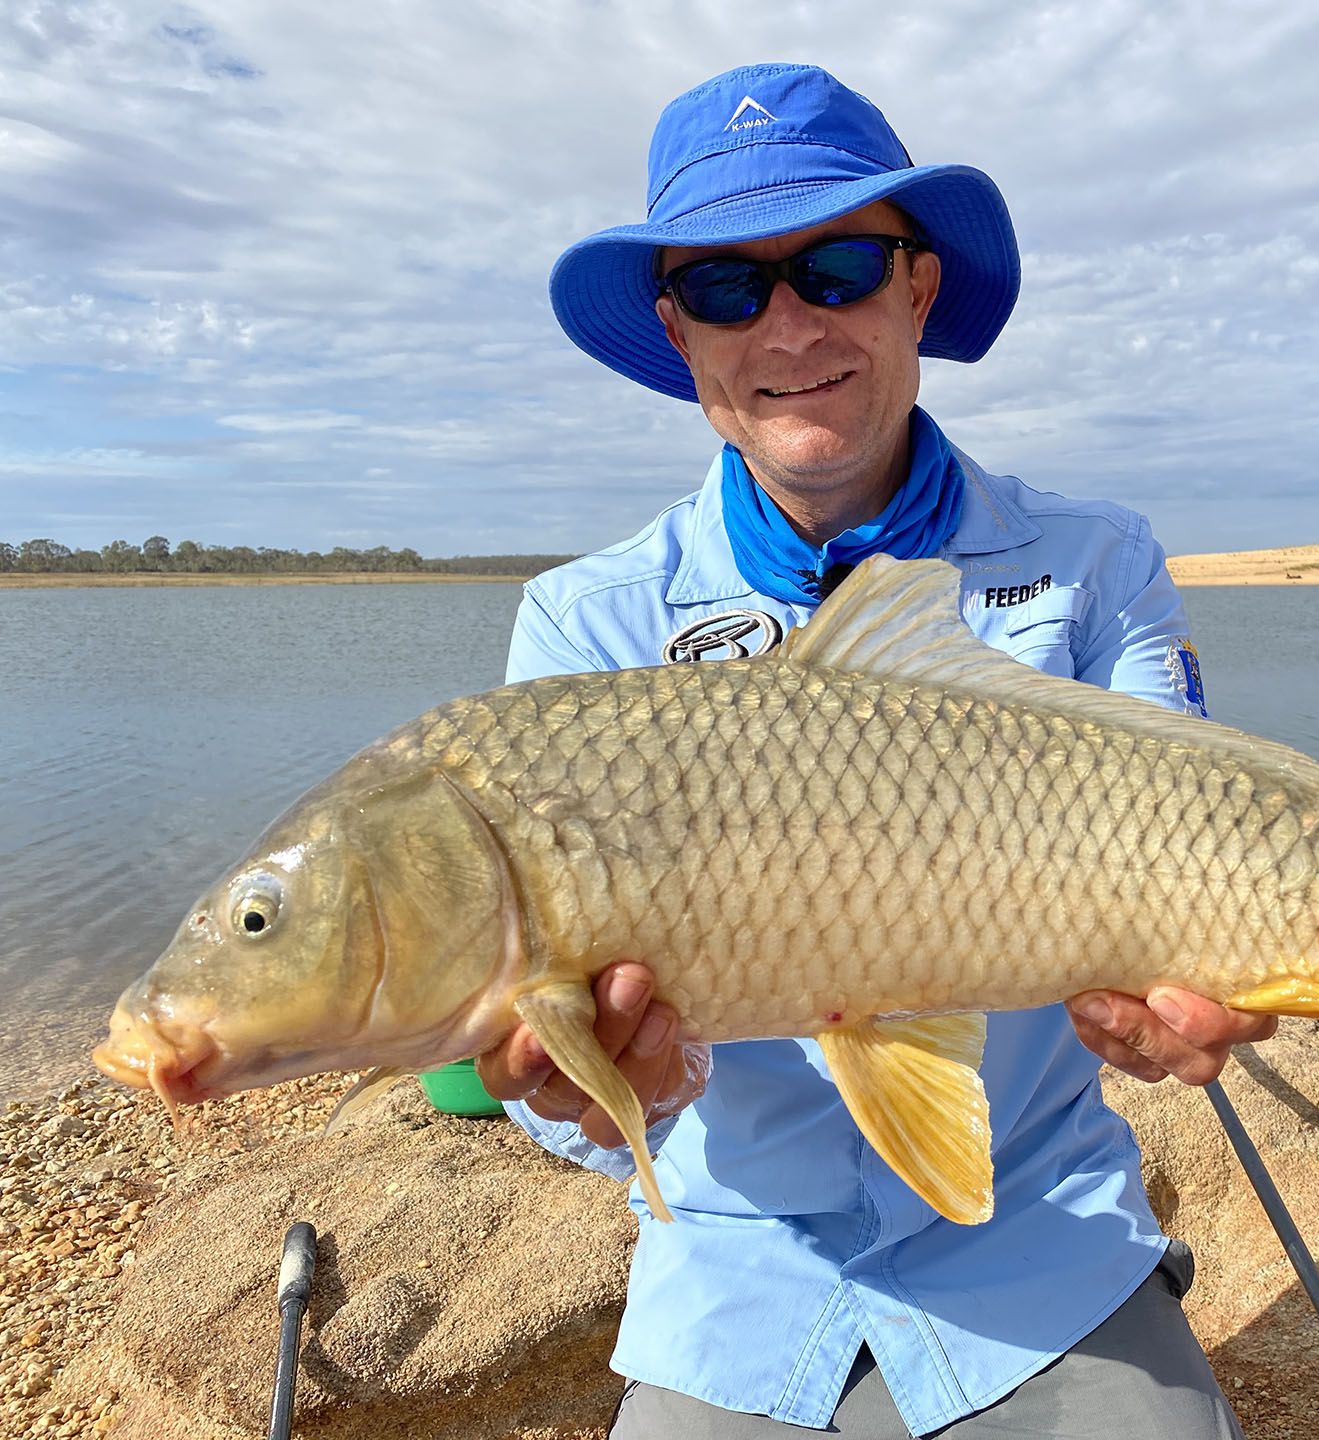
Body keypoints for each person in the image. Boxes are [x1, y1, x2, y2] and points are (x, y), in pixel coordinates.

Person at [476, 62, 1275, 1439]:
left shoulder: (1096, 563)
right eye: (729, 289)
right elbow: (552, 1077)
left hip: (1045, 1238)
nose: (788, 324)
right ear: (679, 331)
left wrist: (1194, 995)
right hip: (737, 1278)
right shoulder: (582, 623)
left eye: (837, 266)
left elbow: (1199, 839)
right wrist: (597, 1100)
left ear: (915, 287)